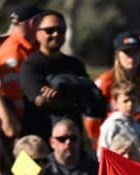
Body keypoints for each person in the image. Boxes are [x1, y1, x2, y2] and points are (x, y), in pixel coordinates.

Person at [19, 10, 91, 139]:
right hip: (39, 145)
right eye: (49, 30)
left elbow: (89, 98)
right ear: (37, 34)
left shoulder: (75, 65)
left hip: (72, 144)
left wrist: (57, 96)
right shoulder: (30, 66)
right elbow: (40, 100)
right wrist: (73, 98)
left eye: (61, 30)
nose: (56, 34)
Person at [85, 32, 140, 145]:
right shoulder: (104, 82)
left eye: (135, 52)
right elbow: (92, 123)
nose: (131, 57)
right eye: (127, 52)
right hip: (114, 148)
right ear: (117, 54)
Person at [0, 4, 42, 121]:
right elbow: (14, 98)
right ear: (33, 23)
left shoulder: (30, 48)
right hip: (23, 122)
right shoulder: (13, 54)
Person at [96, 81, 140, 160]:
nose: (130, 104)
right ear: (115, 103)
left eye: (133, 100)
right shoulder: (111, 125)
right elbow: (102, 153)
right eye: (125, 101)